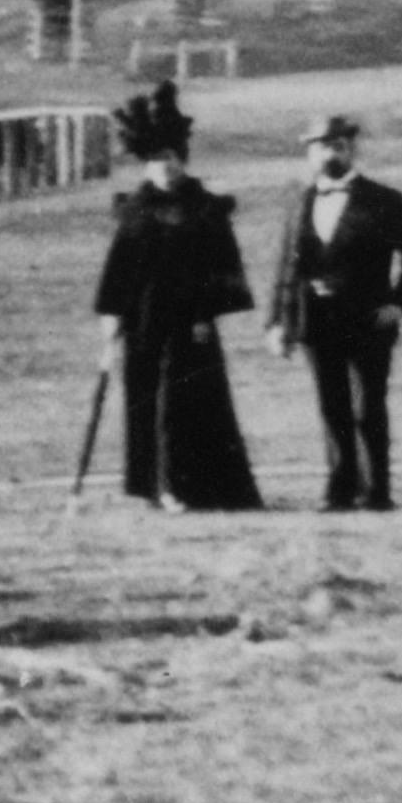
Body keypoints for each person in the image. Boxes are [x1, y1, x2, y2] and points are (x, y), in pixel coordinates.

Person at [89, 83, 264, 511]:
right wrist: (111, 313)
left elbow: (223, 267)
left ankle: (194, 486)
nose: (162, 167)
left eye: (168, 158)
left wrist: (208, 312)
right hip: (145, 321)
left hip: (192, 323)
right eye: (154, 160)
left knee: (185, 403)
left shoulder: (205, 208)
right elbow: (120, 265)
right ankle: (156, 485)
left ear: (181, 159)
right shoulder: (135, 209)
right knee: (149, 401)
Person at [267, 114, 402, 513]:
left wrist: (400, 302)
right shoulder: (300, 201)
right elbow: (285, 268)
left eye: (338, 146)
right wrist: (277, 322)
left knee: (368, 407)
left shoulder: (384, 201)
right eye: (320, 147)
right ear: (310, 154)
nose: (329, 153)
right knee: (331, 407)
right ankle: (340, 491)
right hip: (316, 321)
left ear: (351, 150)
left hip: (367, 319)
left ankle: (377, 491)